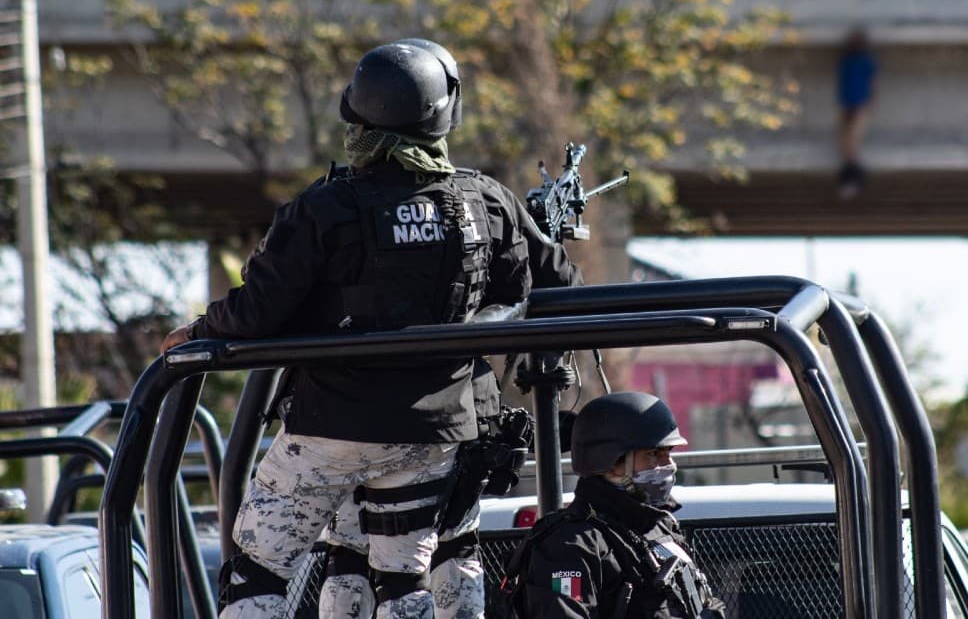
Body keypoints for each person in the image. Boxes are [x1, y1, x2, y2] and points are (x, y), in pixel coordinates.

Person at [161, 38, 580, 619]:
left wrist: (202, 328)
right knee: (403, 583)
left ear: (357, 116)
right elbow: (558, 282)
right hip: (431, 438)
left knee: (256, 573)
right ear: (445, 115)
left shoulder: (323, 208)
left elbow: (258, 311)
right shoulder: (487, 201)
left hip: (330, 429)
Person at [506, 392, 726, 618]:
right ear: (609, 462)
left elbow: (706, 602)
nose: (668, 465)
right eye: (653, 454)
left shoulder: (660, 527)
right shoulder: (568, 546)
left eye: (668, 453)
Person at [835, 29, 877, 199]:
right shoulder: (846, 60)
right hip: (847, 103)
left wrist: (870, 103)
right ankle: (851, 175)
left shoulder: (866, 61)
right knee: (843, 139)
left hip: (860, 104)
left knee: (852, 138)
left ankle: (853, 177)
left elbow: (874, 83)